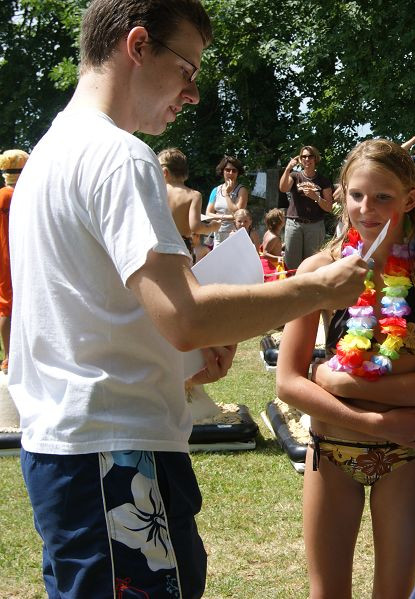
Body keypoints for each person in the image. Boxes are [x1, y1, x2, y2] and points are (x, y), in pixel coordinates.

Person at [7, 2, 368, 597]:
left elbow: (81, 320)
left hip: (72, 451)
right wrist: (319, 287)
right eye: (187, 69)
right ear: (139, 45)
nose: (193, 93)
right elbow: (184, 315)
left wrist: (183, 358)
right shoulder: (119, 157)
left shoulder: (49, 154)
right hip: (116, 456)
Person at [276, 138, 415, 598]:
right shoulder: (318, 270)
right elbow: (287, 382)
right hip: (332, 450)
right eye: (357, 194)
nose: (367, 208)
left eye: (382, 197)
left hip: (407, 456)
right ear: (341, 193)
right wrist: (370, 417)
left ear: (408, 198)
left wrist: (338, 380)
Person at [278, 145, 334, 272]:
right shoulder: (295, 176)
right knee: (291, 263)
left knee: (312, 264)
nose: (307, 159)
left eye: (310, 156)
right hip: (294, 224)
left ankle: (309, 291)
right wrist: (288, 168)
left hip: (315, 226)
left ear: (315, 159)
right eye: (303, 156)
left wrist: (316, 197)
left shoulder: (323, 180)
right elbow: (283, 188)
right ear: (300, 159)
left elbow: (329, 207)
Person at [158, 147, 220, 261]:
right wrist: (213, 226)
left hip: (158, 244)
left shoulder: (157, 192)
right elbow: (195, 227)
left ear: (164, 172)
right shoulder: (193, 195)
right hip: (181, 246)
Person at [0, 148, 28, 374]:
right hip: (14, 256)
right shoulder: (16, 196)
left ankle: (11, 356)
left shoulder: (2, 195)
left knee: (6, 305)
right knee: (9, 306)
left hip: (4, 256)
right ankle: (10, 357)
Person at [206, 155, 247, 247]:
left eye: (234, 170)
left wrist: (226, 194)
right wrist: (228, 217)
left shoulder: (241, 190)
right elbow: (208, 214)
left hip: (234, 234)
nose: (230, 173)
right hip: (218, 234)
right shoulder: (215, 190)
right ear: (223, 171)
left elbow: (237, 213)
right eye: (227, 170)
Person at [259, 207, 286, 280]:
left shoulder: (269, 232)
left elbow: (273, 247)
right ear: (279, 222)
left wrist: (284, 245)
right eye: (283, 217)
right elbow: (265, 254)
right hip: (273, 265)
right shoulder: (273, 237)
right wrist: (279, 258)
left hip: (272, 262)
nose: (284, 219)